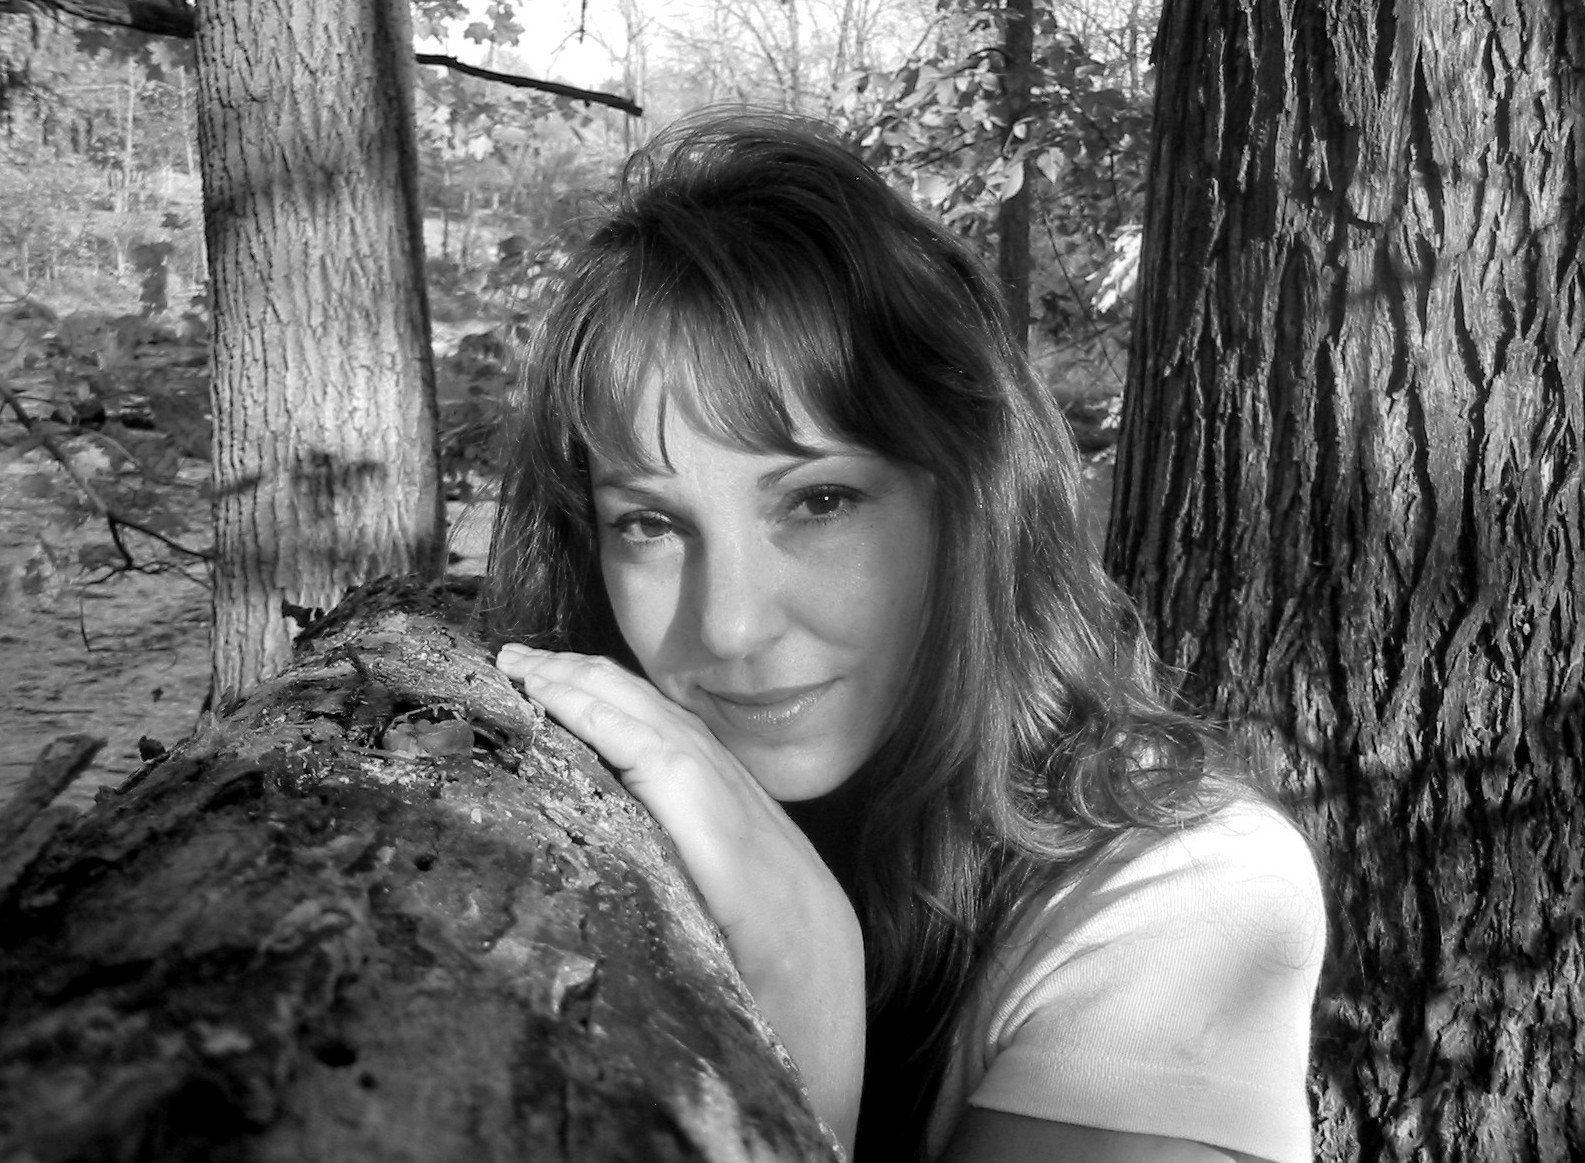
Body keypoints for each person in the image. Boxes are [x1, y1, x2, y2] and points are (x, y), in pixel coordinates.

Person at [484, 110, 1325, 1163]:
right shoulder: (593, 801)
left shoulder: (1191, 899)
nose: (732, 623)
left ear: (969, 500)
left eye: (820, 500)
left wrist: (804, 990)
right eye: (650, 523)